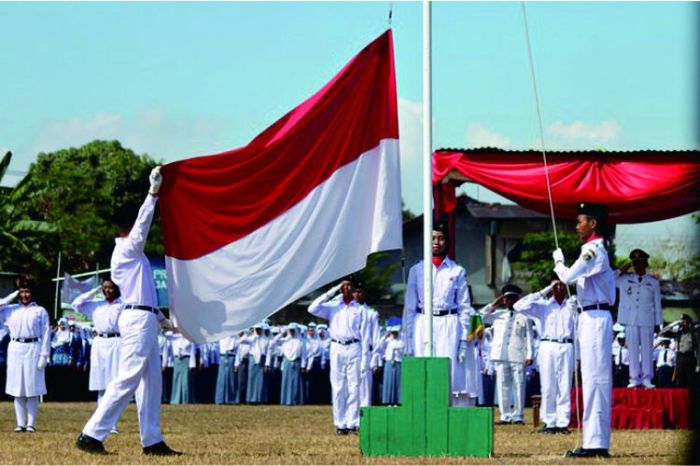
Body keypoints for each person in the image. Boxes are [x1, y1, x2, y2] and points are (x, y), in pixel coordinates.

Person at [76, 166, 180, 456]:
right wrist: (152, 194)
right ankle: (91, 433)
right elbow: (143, 225)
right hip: (136, 318)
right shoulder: (126, 250)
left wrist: (163, 321)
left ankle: (152, 439)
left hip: (144, 316)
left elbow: (144, 296)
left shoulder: (133, 254)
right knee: (128, 378)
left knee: (151, 382)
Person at [553, 202, 615, 458]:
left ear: (593, 224)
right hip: (588, 315)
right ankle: (592, 439)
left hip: (596, 315)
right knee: (590, 378)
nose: (577, 226)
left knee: (596, 379)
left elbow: (567, 277)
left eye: (581, 221)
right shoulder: (590, 250)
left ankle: (597, 442)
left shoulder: (593, 250)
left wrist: (558, 261)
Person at [402, 223, 475, 406]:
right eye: (433, 238)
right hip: (423, 321)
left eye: (441, 238)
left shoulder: (456, 270)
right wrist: (408, 340)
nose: (437, 242)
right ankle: (423, 411)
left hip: (449, 323)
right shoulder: (417, 270)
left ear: (447, 241)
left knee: (448, 372)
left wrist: (463, 340)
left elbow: (464, 307)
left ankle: (446, 411)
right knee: (423, 370)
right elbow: (409, 307)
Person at [513, 278, 576, 434]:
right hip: (547, 345)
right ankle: (550, 422)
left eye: (562, 284)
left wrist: (579, 357)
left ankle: (563, 422)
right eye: (556, 285)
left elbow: (579, 331)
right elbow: (518, 306)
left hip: (567, 344)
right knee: (548, 386)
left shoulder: (573, 305)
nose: (559, 288)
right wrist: (544, 290)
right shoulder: (543, 306)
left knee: (564, 386)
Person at [308, 278, 370, 434]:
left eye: (350, 285)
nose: (347, 287)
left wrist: (365, 359)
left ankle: (353, 423)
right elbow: (312, 308)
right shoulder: (333, 307)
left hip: (354, 346)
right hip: (337, 346)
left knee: (354, 386)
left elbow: (365, 336)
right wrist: (333, 290)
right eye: (344, 285)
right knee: (338, 387)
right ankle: (340, 424)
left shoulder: (360, 309)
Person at [72, 279, 123, 432]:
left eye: (110, 288)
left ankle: (112, 423)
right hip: (100, 343)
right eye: (105, 288)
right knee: (101, 385)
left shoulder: (122, 305)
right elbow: (76, 304)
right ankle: (102, 422)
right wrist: (94, 291)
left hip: (116, 341)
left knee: (113, 384)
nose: (108, 291)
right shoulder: (95, 305)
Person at [0, 279, 50, 433]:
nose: (24, 295)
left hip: (33, 347)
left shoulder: (40, 311)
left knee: (32, 387)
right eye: (21, 292)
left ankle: (31, 424)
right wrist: (14, 293)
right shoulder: (10, 309)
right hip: (15, 348)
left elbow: (46, 333)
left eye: (27, 291)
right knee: (17, 387)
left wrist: (44, 355)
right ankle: (20, 423)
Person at [480, 284, 534, 424]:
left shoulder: (524, 316)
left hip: (518, 354)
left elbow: (529, 336)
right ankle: (505, 415)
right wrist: (493, 304)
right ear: (503, 300)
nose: (510, 301)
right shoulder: (498, 315)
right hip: (501, 354)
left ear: (517, 299)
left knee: (519, 384)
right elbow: (481, 317)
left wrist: (530, 355)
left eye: (513, 298)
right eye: (507, 298)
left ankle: (518, 415)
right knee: (503, 384)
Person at [615, 249, 662, 388]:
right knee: (633, 349)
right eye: (635, 263)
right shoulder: (624, 279)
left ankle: (647, 378)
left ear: (646, 264)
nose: (638, 266)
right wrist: (620, 270)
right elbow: (609, 280)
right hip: (630, 319)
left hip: (647, 317)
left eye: (641, 263)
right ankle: (634, 378)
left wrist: (658, 323)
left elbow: (657, 302)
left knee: (647, 348)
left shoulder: (652, 282)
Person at [354, 284, 380, 408]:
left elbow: (376, 337)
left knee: (364, 385)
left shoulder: (371, 313)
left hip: (365, 352)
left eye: (360, 291)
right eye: (355, 292)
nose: (357, 294)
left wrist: (375, 361)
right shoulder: (347, 311)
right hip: (350, 350)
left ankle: (364, 412)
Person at [268, 323, 305, 405]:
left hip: (297, 362)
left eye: (293, 330)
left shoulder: (300, 341)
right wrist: (282, 333)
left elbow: (303, 355)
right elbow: (272, 342)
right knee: (286, 382)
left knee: (296, 382)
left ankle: (295, 400)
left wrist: (303, 365)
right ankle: (286, 400)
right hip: (287, 362)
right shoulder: (285, 340)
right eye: (290, 330)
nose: (292, 332)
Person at [659, 314, 699, 388]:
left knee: (691, 381)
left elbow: (698, 349)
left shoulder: (694, 333)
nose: (682, 324)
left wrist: (698, 364)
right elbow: (662, 332)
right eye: (681, 322)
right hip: (680, 358)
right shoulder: (678, 332)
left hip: (690, 358)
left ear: (689, 323)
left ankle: (692, 398)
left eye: (684, 322)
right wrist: (675, 323)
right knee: (680, 380)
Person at [169, 331, 196, 404]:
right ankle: (175, 400)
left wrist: (192, 364)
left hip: (186, 359)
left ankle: (185, 399)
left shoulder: (190, 337)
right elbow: (164, 334)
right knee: (176, 380)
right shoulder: (173, 337)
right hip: (177, 360)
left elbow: (192, 352)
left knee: (185, 382)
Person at [379, 325, 403, 405]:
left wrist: (394, 343)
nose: (394, 334)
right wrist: (385, 337)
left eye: (395, 333)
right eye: (392, 333)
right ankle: (387, 401)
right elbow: (379, 345)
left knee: (396, 382)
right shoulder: (387, 341)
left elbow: (400, 347)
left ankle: (397, 401)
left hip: (397, 362)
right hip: (389, 362)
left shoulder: (400, 341)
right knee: (388, 381)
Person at [215, 334, 238, 404]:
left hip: (231, 356)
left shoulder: (235, 336)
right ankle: (220, 399)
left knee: (231, 378)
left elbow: (237, 349)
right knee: (221, 379)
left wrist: (237, 363)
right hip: (222, 356)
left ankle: (230, 399)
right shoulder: (220, 335)